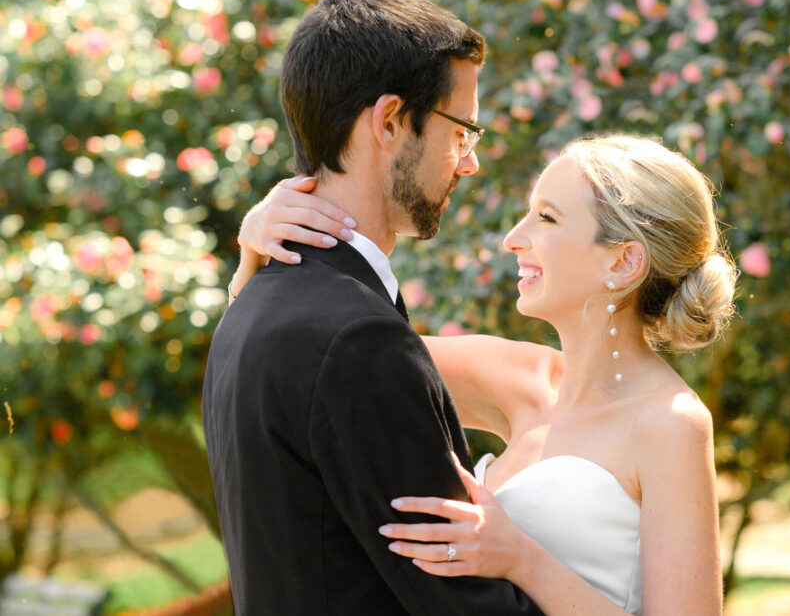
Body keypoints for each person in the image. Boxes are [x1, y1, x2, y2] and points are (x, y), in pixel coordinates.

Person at [234, 134, 735, 614]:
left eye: (547, 218)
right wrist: (256, 249)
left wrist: (523, 561)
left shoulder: (670, 422)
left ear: (624, 262)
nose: (514, 239)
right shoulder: (515, 376)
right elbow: (316, 360)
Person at [202, 0, 543, 615]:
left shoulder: (246, 309)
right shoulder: (357, 338)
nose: (467, 164)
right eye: (461, 131)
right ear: (389, 120)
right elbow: (467, 605)